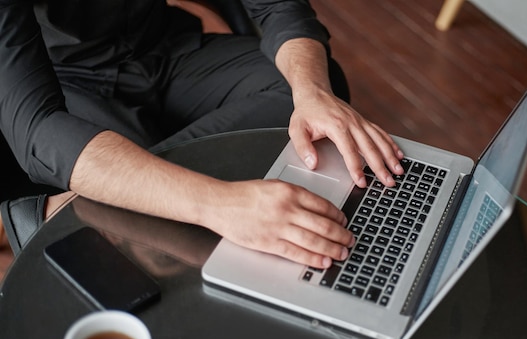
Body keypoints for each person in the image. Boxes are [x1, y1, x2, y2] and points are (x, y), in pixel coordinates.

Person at [0, 0, 405, 270]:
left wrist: (312, 92)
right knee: (158, 236)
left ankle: (72, 204)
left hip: (167, 48)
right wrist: (219, 204)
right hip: (70, 81)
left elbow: (277, 5)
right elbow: (38, 126)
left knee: (313, 85)